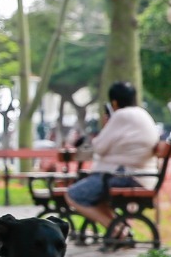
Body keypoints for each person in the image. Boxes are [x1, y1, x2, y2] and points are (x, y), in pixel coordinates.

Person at [64, 81, 160, 244]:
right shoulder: (142, 114)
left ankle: (115, 230)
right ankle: (120, 229)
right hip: (141, 176)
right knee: (95, 198)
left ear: (114, 102)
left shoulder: (121, 116)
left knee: (73, 195)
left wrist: (107, 124)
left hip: (124, 176)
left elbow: (100, 147)